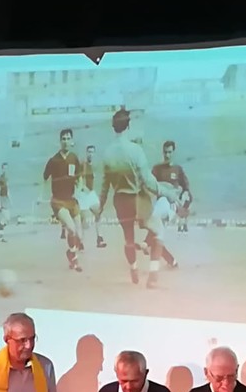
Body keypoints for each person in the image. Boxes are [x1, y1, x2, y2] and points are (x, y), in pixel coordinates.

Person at [100, 108, 175, 288]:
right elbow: (148, 182)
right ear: (128, 126)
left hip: (120, 201)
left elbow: (105, 186)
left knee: (128, 238)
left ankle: (133, 268)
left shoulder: (107, 153)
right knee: (158, 231)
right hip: (137, 200)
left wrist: (100, 206)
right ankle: (153, 276)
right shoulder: (135, 150)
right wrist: (167, 193)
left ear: (114, 127)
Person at [43, 128, 84, 272]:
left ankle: (71, 253)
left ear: (72, 141)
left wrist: (79, 190)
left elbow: (79, 177)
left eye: (68, 139)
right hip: (58, 201)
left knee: (79, 235)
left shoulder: (74, 158)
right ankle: (75, 259)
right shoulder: (53, 160)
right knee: (71, 229)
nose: (66, 141)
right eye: (63, 139)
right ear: (60, 141)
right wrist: (41, 196)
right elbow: (44, 178)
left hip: (72, 200)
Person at [152, 140, 193, 233]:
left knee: (188, 197)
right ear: (163, 152)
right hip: (162, 200)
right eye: (165, 152)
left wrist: (185, 193)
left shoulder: (177, 169)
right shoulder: (157, 169)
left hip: (173, 201)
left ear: (174, 153)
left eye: (169, 152)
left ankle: (182, 219)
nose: (167, 155)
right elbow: (149, 184)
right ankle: (172, 220)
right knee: (159, 216)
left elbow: (186, 186)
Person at [77, 144, 107, 249]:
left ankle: (99, 238)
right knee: (84, 221)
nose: (90, 154)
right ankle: (80, 242)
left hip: (91, 193)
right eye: (89, 152)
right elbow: (77, 177)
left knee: (98, 212)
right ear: (86, 153)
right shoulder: (83, 164)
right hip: (83, 194)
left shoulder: (93, 165)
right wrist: (81, 187)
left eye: (92, 152)